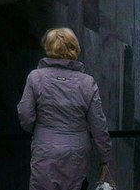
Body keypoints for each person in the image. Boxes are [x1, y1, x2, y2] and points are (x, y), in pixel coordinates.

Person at [17, 27, 115, 190]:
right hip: (76, 150)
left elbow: (25, 114)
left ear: (48, 48)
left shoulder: (35, 78)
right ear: (74, 49)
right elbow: (98, 124)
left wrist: (40, 130)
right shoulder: (87, 82)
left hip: (44, 147)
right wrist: (105, 157)